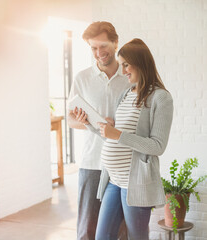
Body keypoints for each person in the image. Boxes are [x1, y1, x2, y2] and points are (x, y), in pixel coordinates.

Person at [95, 38, 174, 240]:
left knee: (137, 237)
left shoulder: (160, 98)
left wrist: (118, 135)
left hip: (136, 183)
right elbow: (114, 136)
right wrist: (92, 123)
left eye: (126, 65)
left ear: (140, 62)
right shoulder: (125, 94)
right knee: (102, 236)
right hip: (113, 180)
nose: (123, 71)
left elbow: (157, 146)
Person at [67, 21, 130, 240]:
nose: (98, 53)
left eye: (103, 46)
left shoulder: (130, 77)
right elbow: (71, 119)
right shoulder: (82, 78)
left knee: (122, 230)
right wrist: (90, 123)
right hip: (92, 163)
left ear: (115, 42)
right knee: (87, 230)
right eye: (93, 48)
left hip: (123, 165)